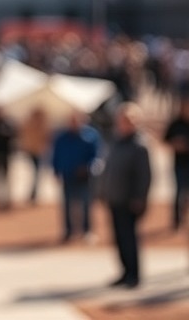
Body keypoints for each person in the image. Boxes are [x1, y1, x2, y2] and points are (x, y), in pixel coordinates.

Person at [99, 102, 152, 289]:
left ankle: (133, 274)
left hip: (130, 200)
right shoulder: (115, 142)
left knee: (129, 238)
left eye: (128, 120)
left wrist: (140, 197)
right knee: (119, 238)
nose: (123, 124)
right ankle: (124, 271)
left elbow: (144, 175)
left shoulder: (139, 145)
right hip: (115, 197)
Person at [51, 112, 102, 243]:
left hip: (84, 177)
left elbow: (97, 156)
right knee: (67, 204)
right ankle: (68, 231)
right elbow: (56, 155)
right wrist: (56, 170)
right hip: (67, 175)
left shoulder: (90, 136)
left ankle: (87, 230)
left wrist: (89, 168)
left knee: (86, 204)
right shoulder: (61, 137)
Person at [163, 97, 189, 231]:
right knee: (179, 192)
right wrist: (175, 144)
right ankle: (177, 220)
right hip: (179, 164)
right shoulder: (176, 124)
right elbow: (165, 139)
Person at [18, 107, 51, 204]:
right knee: (35, 173)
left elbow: (47, 139)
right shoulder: (30, 124)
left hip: (39, 152)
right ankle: (33, 193)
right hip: (33, 152)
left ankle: (34, 193)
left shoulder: (42, 125)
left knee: (37, 173)